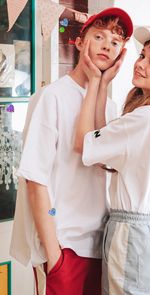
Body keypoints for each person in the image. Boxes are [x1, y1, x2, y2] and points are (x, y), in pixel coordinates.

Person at [10, 7, 133, 295]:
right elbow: (35, 179)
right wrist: (55, 257)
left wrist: (100, 86)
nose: (107, 45)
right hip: (64, 247)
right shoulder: (51, 97)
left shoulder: (110, 108)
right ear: (79, 42)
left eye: (115, 41)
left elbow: (104, 165)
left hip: (101, 244)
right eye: (99, 36)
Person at [74, 26, 150, 295]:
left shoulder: (145, 118)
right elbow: (105, 145)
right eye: (142, 55)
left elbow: (84, 144)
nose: (140, 64)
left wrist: (95, 81)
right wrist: (104, 86)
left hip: (133, 234)